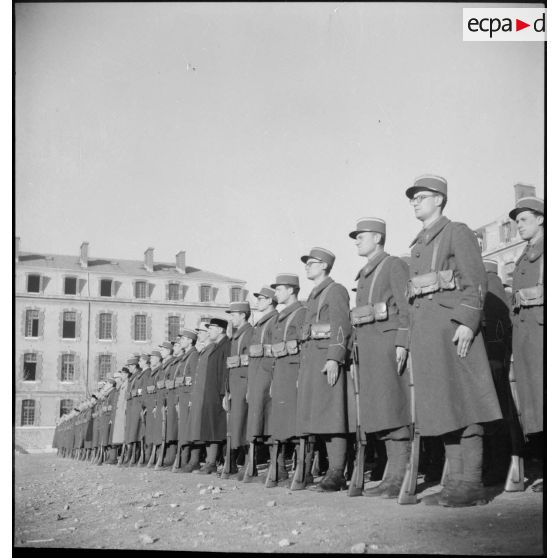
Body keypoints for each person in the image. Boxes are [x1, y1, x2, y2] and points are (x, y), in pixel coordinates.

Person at [404, 174, 502, 507]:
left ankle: (471, 483)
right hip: (429, 336)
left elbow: (475, 281)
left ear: (440, 200)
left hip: (453, 330)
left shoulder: (456, 231)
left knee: (466, 402)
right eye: (413, 198)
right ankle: (456, 484)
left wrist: (467, 322)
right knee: (445, 407)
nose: (415, 201)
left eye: (421, 196)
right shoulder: (418, 243)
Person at [348, 218, 412, 498]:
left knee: (394, 408)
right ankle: (392, 476)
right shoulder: (364, 273)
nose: (357, 241)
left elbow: (406, 305)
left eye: (361, 236)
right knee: (380, 411)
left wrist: (402, 340)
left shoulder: (392, 264)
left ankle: (400, 475)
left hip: (387, 344)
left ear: (377, 237)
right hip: (370, 347)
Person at [296, 247, 352, 492]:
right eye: (307, 263)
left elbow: (342, 326)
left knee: (332, 415)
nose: (307, 266)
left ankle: (337, 472)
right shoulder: (313, 295)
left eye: (312, 262)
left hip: (326, 360)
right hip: (312, 360)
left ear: (325, 266)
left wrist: (334, 357)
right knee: (318, 416)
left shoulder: (335, 290)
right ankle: (328, 471)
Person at [509, 196, 545, 492]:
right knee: (533, 404)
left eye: (523, 219)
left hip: (542, 334)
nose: (518, 225)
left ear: (541, 219)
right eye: (516, 221)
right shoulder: (523, 256)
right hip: (525, 336)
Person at [267, 274, 307, 487]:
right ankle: (280, 467)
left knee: (296, 422)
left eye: (280, 289)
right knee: (281, 422)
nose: (276, 294)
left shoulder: (301, 313)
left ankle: (303, 469)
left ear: (291, 290)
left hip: (294, 372)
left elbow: (304, 345)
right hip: (281, 372)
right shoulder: (280, 317)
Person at [185, 318, 231, 475]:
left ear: (219, 330)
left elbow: (224, 371)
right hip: (205, 393)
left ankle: (212, 462)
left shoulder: (220, 346)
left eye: (209, 329)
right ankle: (202, 461)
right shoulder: (209, 348)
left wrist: (224, 392)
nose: (201, 334)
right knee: (204, 428)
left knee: (213, 428)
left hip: (214, 393)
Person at [223, 302, 254, 479]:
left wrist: (249, 386)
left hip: (243, 382)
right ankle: (239, 462)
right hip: (236, 384)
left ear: (243, 315)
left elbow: (249, 362)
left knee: (245, 424)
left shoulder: (248, 333)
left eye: (234, 314)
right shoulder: (237, 335)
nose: (231, 318)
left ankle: (249, 463)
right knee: (237, 425)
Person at [172, 329, 200, 472]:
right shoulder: (185, 357)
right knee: (184, 430)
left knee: (190, 430)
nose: (181, 341)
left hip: (189, 397)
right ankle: (184, 460)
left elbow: (195, 378)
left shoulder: (193, 355)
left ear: (190, 340)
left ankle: (192, 460)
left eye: (183, 339)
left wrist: (192, 397)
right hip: (182, 397)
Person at [145, 350, 163, 467]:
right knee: (151, 432)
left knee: (157, 432)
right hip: (150, 405)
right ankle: (150, 457)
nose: (150, 360)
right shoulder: (152, 372)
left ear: (158, 359)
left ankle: (156, 456)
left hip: (156, 405)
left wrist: (157, 404)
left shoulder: (159, 372)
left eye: (152, 358)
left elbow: (159, 390)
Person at [113, 366, 132, 464]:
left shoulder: (127, 383)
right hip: (120, 412)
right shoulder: (122, 384)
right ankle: (122, 455)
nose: (122, 376)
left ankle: (127, 455)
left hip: (124, 411)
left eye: (123, 374)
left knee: (125, 435)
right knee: (121, 436)